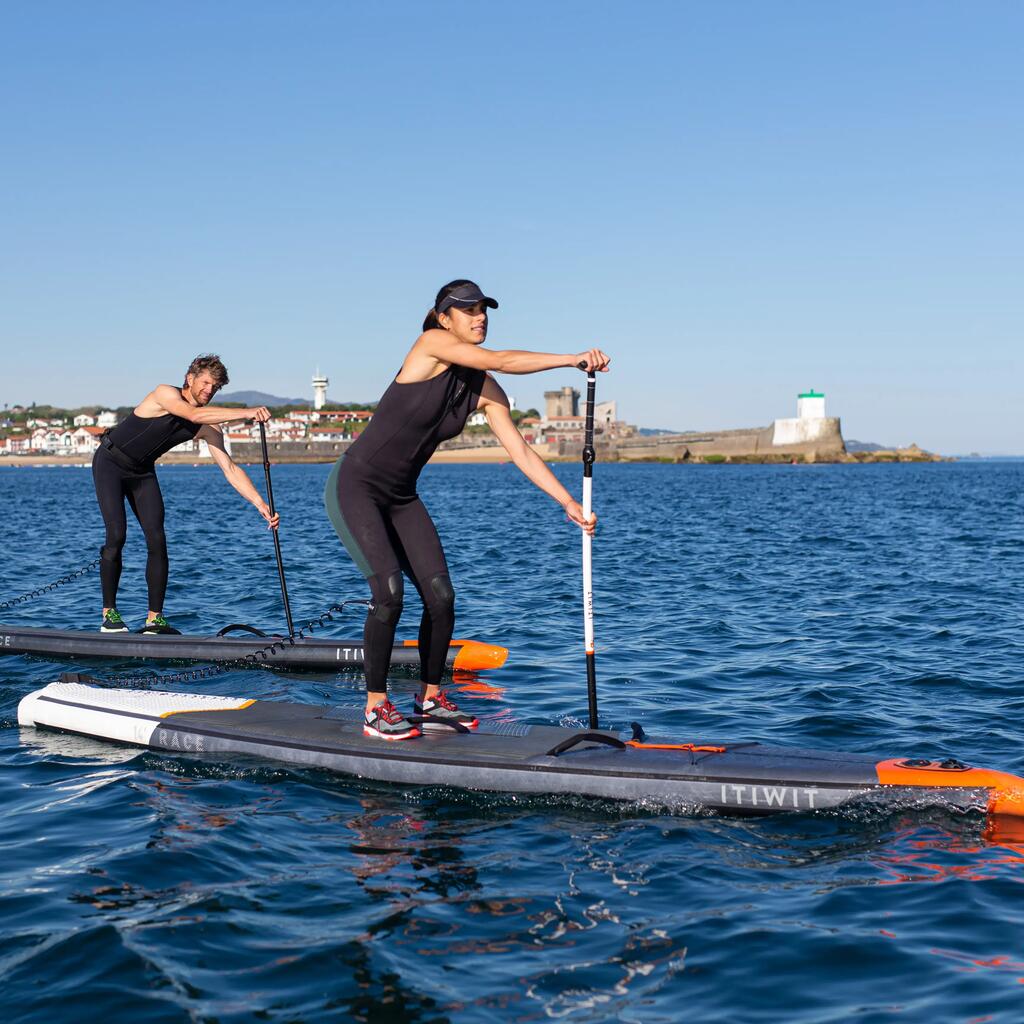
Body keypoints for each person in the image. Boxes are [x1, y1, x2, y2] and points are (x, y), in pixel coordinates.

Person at [324, 279, 611, 740]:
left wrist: (568, 502)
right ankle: (376, 706)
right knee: (390, 594)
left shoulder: (484, 389)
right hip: (355, 486)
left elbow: (519, 450)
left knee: (440, 596)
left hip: (402, 497)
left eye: (483, 310)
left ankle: (430, 698)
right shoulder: (430, 345)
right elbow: (501, 358)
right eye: (468, 310)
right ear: (444, 318)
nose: (479, 317)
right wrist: (570, 358)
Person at [93, 353, 280, 634]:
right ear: (190, 378)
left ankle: (154, 619)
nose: (209, 390)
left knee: (157, 539)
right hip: (110, 462)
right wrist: (246, 412)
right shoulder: (164, 394)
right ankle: (110, 614)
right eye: (205, 383)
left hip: (142, 472)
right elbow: (192, 414)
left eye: (215, 387)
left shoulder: (209, 426)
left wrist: (259, 503)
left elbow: (229, 468)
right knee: (117, 535)